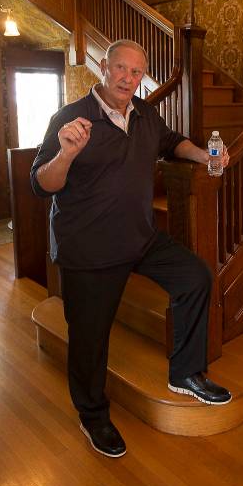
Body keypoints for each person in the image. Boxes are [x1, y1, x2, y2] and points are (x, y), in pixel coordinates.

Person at [30, 39, 231, 458]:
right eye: (120, 68)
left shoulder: (144, 115)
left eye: (136, 72)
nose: (127, 78)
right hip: (88, 248)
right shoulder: (70, 119)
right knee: (89, 338)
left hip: (139, 238)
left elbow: (172, 141)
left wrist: (205, 155)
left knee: (195, 277)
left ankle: (187, 373)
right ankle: (92, 415)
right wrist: (66, 154)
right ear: (104, 67)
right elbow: (41, 183)